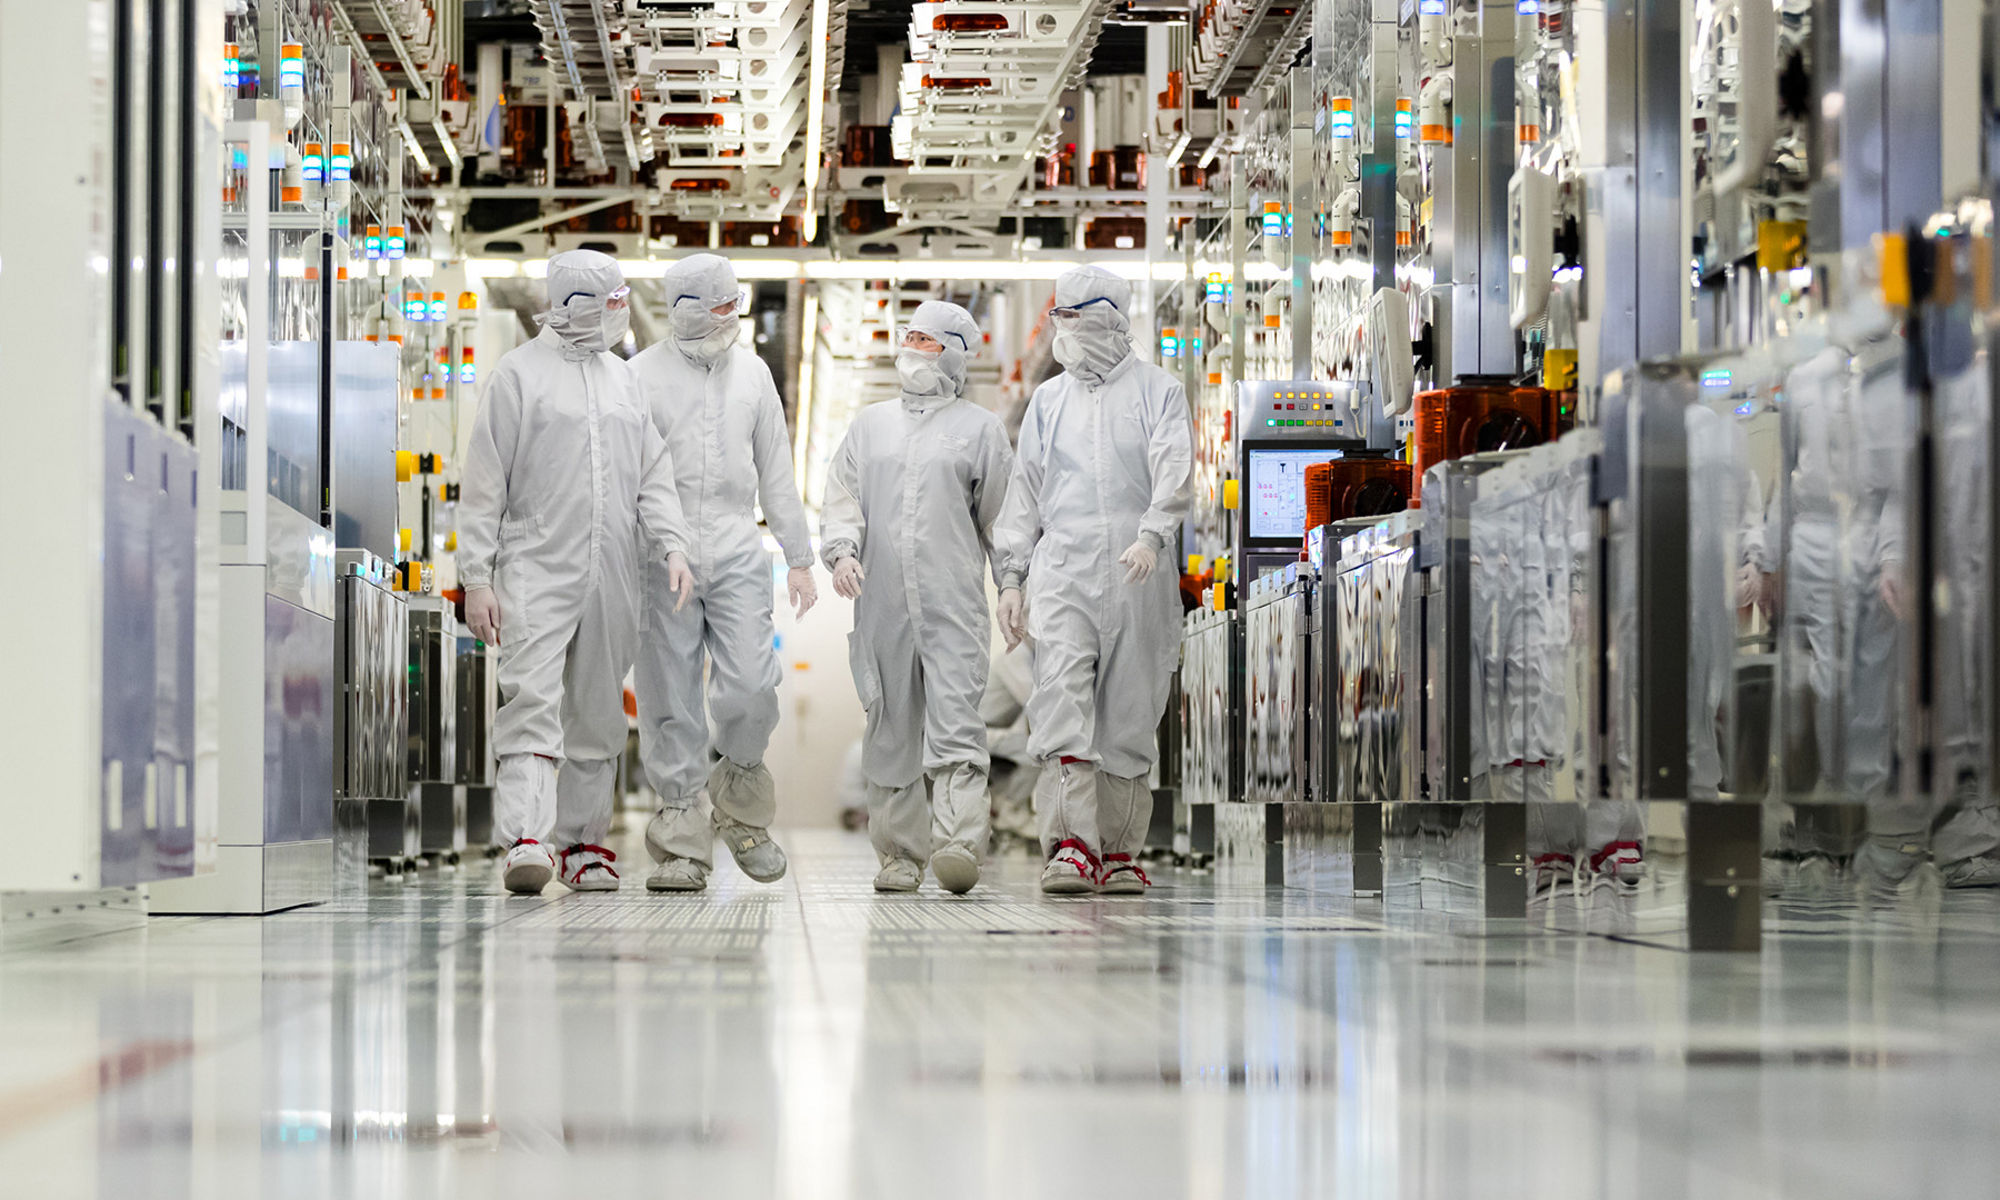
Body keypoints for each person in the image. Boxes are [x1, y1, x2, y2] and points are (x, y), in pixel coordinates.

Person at [458, 249, 695, 896]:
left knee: (596, 712)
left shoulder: (625, 383)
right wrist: (476, 575)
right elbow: (483, 486)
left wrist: (672, 543)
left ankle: (584, 843)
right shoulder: (518, 376)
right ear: (581, 305)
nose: (623, 312)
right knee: (531, 699)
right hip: (536, 562)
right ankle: (527, 839)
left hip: (613, 568)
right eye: (615, 301)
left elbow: (653, 475)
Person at [992, 266, 1194, 896]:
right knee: (1061, 703)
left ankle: (1120, 851)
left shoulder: (1160, 390)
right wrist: (1012, 578)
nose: (1066, 331)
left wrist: (1154, 533)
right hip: (1066, 571)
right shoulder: (1049, 401)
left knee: (1131, 715)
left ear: (1113, 318)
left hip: (1140, 573)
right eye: (1061, 318)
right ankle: (1072, 846)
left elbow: (1174, 468)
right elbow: (1024, 495)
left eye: (1077, 318)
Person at [629, 253, 818, 893]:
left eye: (733, 305)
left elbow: (777, 473)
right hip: (663, 549)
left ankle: (739, 803)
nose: (730, 317)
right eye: (717, 307)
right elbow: (629, 477)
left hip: (739, 540)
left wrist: (798, 557)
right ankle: (682, 836)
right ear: (682, 311)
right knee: (669, 695)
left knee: (750, 686)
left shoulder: (755, 375)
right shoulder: (640, 376)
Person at [820, 300, 1013, 894]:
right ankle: (900, 854)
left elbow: (1002, 520)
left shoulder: (980, 430)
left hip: (953, 602)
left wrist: (1011, 584)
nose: (911, 347)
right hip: (880, 606)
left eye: (926, 339)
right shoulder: (869, 425)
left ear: (955, 352)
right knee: (890, 730)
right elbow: (842, 497)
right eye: (908, 336)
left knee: (957, 724)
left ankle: (957, 843)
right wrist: (842, 550)